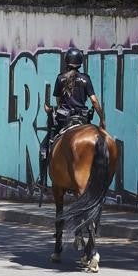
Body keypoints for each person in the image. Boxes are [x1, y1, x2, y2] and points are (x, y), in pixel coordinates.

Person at [38, 47, 106, 187]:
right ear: (80, 62)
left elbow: (58, 102)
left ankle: (43, 180)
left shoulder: (60, 78)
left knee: (44, 147)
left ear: (67, 62)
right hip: (83, 120)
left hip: (65, 121)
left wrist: (53, 110)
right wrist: (102, 118)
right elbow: (94, 100)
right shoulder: (85, 79)